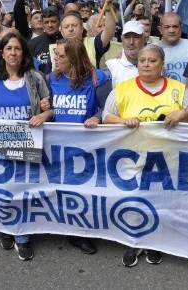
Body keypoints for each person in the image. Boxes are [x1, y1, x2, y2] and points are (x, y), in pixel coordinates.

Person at [103, 44, 188, 267]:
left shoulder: (179, 89)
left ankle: (156, 242)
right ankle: (134, 241)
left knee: (161, 201)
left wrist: (183, 113)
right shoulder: (122, 90)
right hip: (133, 158)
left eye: (152, 61)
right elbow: (106, 116)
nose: (146, 65)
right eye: (142, 60)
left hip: (168, 159)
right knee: (135, 201)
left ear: (162, 64)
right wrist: (122, 121)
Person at [0, 33, 53, 261]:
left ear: (23, 53)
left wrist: (43, 115)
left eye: (17, 48)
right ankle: (6, 228)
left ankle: (23, 236)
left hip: (28, 146)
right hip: (1, 146)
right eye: (9, 48)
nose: (13, 52)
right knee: (3, 190)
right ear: (2, 53)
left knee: (23, 192)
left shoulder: (35, 78)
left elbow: (50, 109)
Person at [48, 38, 111, 255]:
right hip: (60, 147)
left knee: (86, 191)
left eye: (61, 56)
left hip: (88, 147)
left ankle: (83, 231)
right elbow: (49, 109)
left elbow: (108, 108)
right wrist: (45, 108)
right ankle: (71, 230)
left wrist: (97, 118)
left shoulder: (97, 78)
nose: (56, 59)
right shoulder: (52, 79)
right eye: (55, 54)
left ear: (74, 58)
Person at [156, 13, 188, 83]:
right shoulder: (152, 49)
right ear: (160, 29)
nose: (171, 30)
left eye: (175, 26)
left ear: (181, 28)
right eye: (167, 27)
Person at [104, 20, 145, 87]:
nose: (131, 42)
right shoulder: (111, 68)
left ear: (143, 38)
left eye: (136, 37)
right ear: (122, 39)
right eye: (127, 37)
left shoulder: (155, 64)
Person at [27, 7, 62, 74]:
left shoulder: (67, 42)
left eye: (53, 22)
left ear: (59, 22)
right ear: (42, 24)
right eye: (46, 22)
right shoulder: (32, 44)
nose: (50, 25)